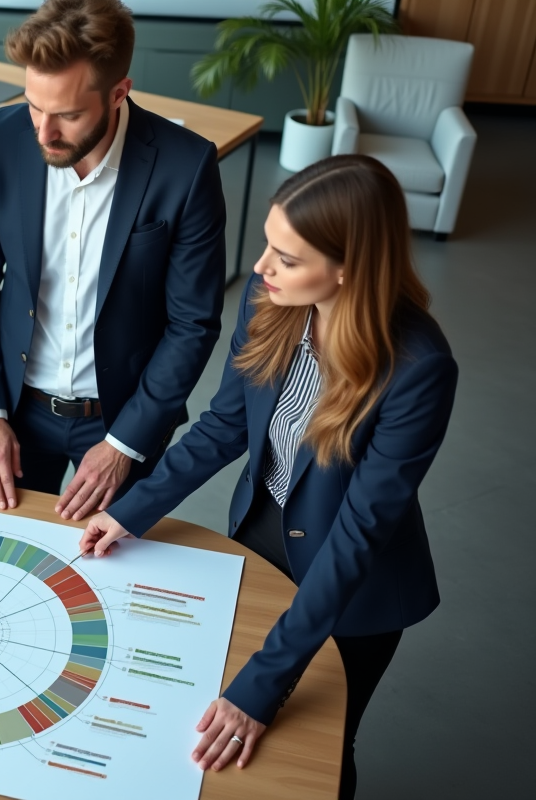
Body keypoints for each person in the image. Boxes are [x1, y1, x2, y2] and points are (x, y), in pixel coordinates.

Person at [80, 155, 458, 799]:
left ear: (348, 268)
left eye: (286, 257)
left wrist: (262, 687)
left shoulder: (419, 368)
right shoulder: (272, 299)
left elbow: (357, 537)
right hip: (261, 534)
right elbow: (223, 425)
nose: (258, 268)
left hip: (355, 593)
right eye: (267, 245)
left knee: (318, 757)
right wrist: (130, 511)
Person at [0, 0, 226, 521]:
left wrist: (125, 445)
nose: (42, 132)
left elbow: (192, 324)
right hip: (16, 411)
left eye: (67, 114)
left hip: (125, 419)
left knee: (114, 578)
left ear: (119, 92)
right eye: (35, 105)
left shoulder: (187, 166)